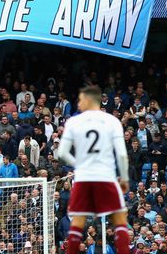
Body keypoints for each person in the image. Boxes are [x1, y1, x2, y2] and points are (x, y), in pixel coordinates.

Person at [56, 86, 130, 254]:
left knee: (78, 222)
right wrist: (124, 178)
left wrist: (79, 165)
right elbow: (122, 155)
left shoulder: (74, 122)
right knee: (119, 219)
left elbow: (61, 153)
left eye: (81, 100)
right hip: (106, 177)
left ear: (90, 100)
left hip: (83, 178)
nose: (79, 103)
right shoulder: (112, 121)